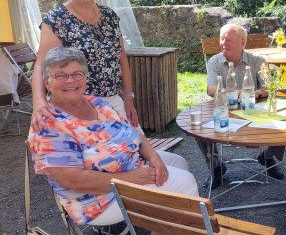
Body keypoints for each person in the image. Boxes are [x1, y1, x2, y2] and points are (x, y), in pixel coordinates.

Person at [28, 47, 198, 232]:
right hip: (97, 200)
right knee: (185, 182)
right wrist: (130, 179)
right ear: (47, 83)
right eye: (60, 75)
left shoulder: (97, 102)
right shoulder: (48, 125)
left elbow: (134, 134)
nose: (71, 81)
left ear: (85, 78)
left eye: (77, 74)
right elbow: (73, 181)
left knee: (179, 163)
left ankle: (160, 225)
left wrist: (154, 158)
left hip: (131, 168)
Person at [31, 0, 138, 132]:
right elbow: (41, 64)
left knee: (135, 147)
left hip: (113, 100)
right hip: (75, 103)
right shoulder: (56, 20)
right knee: (96, 156)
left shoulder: (110, 16)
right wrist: (39, 103)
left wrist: (128, 98)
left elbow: (122, 59)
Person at [201, 23, 285, 188]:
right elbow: (211, 89)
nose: (224, 43)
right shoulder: (214, 61)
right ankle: (216, 167)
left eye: (229, 40)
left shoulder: (257, 60)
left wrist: (256, 93)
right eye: (222, 38)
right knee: (199, 129)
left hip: (253, 109)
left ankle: (268, 156)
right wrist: (229, 93)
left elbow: (268, 87)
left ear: (242, 43)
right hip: (226, 109)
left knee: (280, 119)